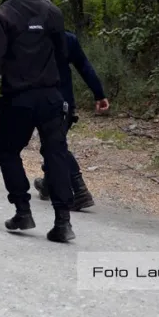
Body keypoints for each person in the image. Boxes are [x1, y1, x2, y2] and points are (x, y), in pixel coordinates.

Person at [0, 0, 76, 243]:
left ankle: (23, 210)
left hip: (18, 99)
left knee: (7, 151)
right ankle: (63, 221)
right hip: (50, 98)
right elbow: (63, 56)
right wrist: (65, 97)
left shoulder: (2, 15)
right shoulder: (52, 11)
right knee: (55, 153)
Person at [33, 30, 110, 210]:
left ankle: (80, 190)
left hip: (47, 100)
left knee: (54, 145)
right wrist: (99, 94)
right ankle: (48, 184)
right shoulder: (68, 38)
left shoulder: (32, 39)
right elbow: (84, 66)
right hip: (66, 102)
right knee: (52, 142)